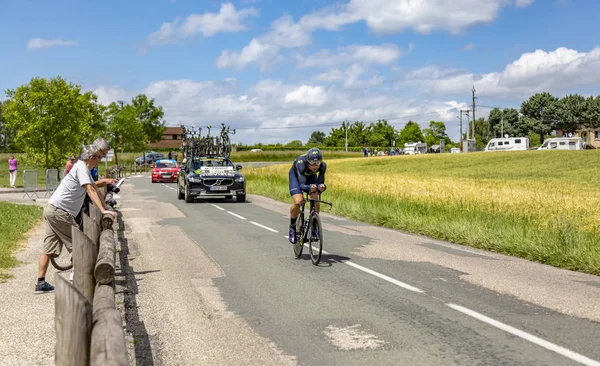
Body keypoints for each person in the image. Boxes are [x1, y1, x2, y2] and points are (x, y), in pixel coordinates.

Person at [34, 144, 117, 294]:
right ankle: (80, 281)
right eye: (99, 157)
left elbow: (95, 188)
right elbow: (90, 189)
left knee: (48, 248)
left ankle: (40, 283)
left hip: (51, 209)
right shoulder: (81, 168)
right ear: (91, 157)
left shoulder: (82, 168)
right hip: (61, 212)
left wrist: (105, 206)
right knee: (81, 246)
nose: (100, 160)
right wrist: (103, 210)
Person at [287, 147, 327, 244]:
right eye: (312, 163)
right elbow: (302, 185)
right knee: (298, 201)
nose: (315, 166)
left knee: (315, 196)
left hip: (310, 177)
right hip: (297, 177)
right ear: (308, 161)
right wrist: (309, 187)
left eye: (317, 163)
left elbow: (320, 182)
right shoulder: (301, 163)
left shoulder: (323, 166)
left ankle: (313, 224)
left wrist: (321, 187)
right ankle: (292, 226)